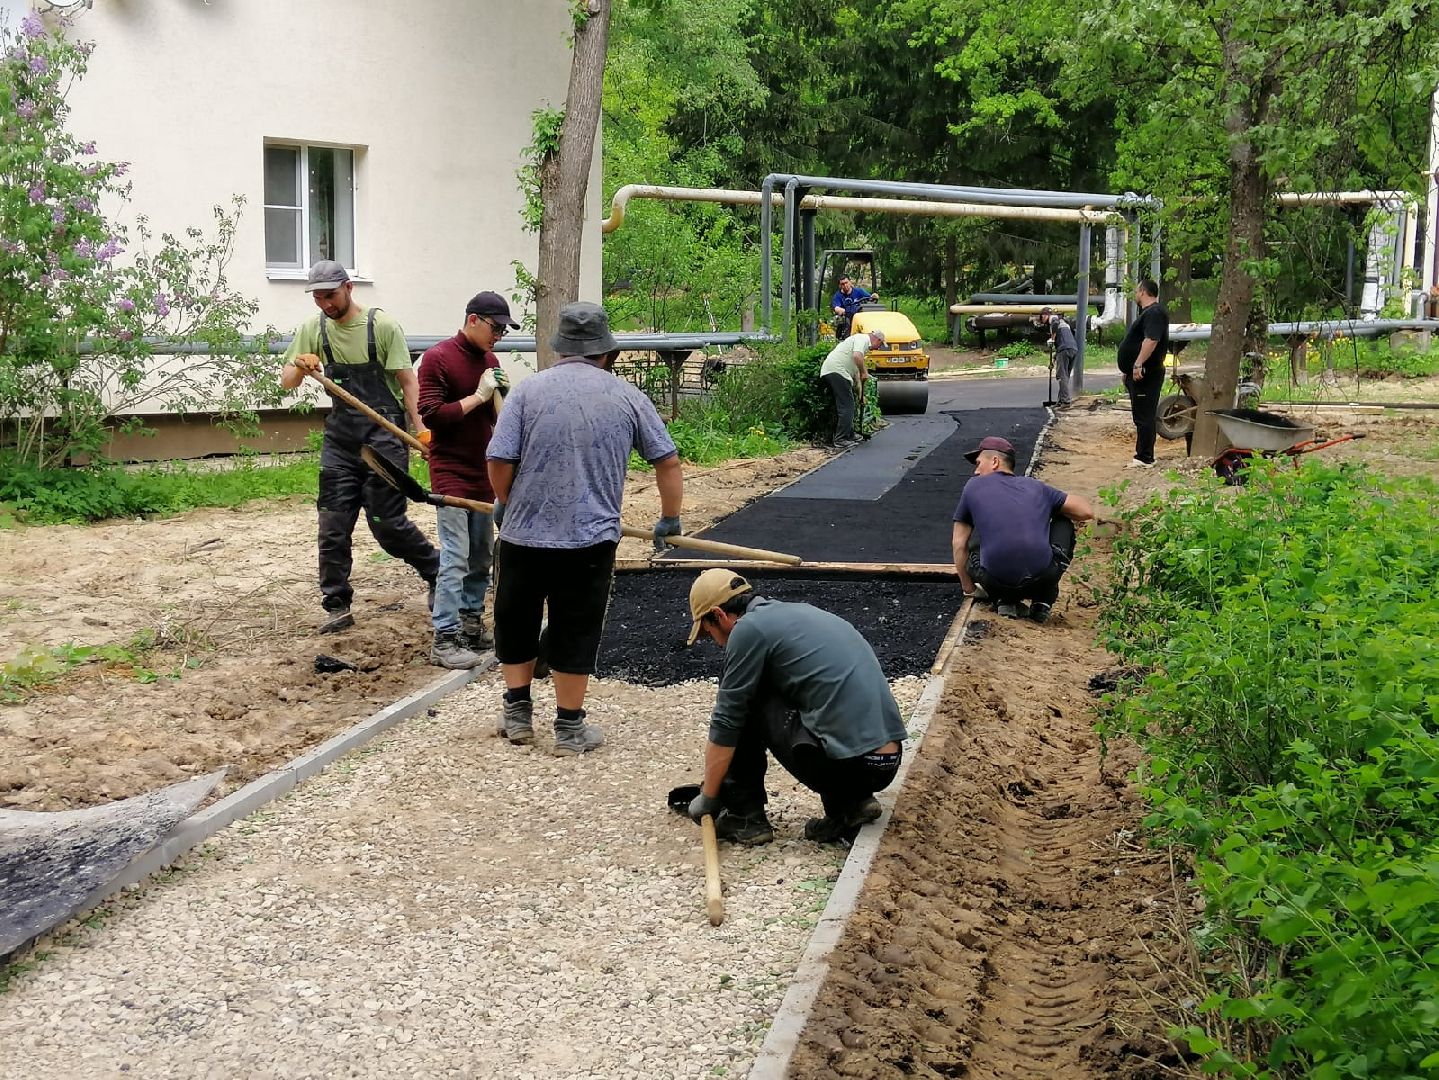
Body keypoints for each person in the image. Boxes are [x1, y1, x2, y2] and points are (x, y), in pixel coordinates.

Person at [486, 302, 684, 756]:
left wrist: (506, 501)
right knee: (576, 626)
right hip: (589, 539)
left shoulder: (527, 392)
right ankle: (569, 727)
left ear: (560, 348)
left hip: (523, 537)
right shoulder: (627, 397)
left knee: (516, 618)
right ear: (605, 351)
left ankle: (517, 712)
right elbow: (667, 461)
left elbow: (499, 459)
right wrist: (669, 516)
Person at [682, 569, 908, 845]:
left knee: (745, 699)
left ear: (719, 615)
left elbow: (727, 720)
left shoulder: (748, 629)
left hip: (849, 768)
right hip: (886, 764)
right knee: (813, 698)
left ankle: (745, 817)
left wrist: (709, 797)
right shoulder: (802, 614)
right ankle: (850, 806)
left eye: (709, 634)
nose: (717, 644)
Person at [279, 260, 438, 634]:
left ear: (349, 288)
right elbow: (287, 381)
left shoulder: (381, 327)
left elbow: (407, 382)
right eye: (317, 297)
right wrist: (302, 365)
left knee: (386, 524)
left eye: (330, 295)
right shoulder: (313, 329)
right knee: (332, 525)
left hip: (383, 436)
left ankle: (437, 571)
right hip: (341, 439)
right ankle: (337, 605)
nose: (324, 304)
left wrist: (422, 432)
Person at [416, 291, 518, 669]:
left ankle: (470, 628)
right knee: (456, 557)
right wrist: (478, 396)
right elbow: (431, 416)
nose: (498, 337)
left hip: (483, 472)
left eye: (504, 332)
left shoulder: (489, 360)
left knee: (480, 557)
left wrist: (501, 398)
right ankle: (444, 639)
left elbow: (495, 421)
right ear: (473, 319)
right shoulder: (438, 358)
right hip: (451, 474)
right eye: (495, 328)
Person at [951, 435, 1095, 624]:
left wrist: (969, 588)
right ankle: (1043, 601)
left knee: (975, 547)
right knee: (1063, 522)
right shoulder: (1037, 487)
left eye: (978, 464)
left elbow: (958, 543)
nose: (976, 471)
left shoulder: (973, 486)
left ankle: (1003, 599)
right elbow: (1086, 511)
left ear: (995, 462)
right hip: (1043, 579)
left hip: (996, 582)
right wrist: (1049, 509)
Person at [1116, 279, 1170, 468]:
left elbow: (1151, 340)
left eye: (1137, 290)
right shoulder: (1148, 313)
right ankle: (1142, 454)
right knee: (1140, 415)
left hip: (1147, 373)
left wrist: (1138, 364)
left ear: (1143, 292)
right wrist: (1128, 369)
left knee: (1145, 416)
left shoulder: (1154, 313)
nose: (1136, 294)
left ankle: (1145, 457)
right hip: (1138, 373)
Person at [820, 328, 885, 446]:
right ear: (877, 339)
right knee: (847, 405)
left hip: (836, 371)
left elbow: (856, 375)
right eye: (880, 344)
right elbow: (856, 357)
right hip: (837, 371)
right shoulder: (862, 339)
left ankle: (849, 434)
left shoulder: (861, 347)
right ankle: (841, 439)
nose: (878, 347)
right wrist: (864, 371)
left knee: (848, 404)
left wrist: (861, 395)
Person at [1037, 306, 1079, 408]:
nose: (1043, 322)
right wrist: (1054, 359)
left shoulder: (1053, 319)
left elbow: (1055, 324)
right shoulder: (1064, 322)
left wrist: (1052, 338)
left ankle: (1065, 401)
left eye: (1041, 318)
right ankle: (1061, 400)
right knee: (1065, 375)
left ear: (1045, 315)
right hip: (1073, 349)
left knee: (1061, 375)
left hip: (1064, 349)